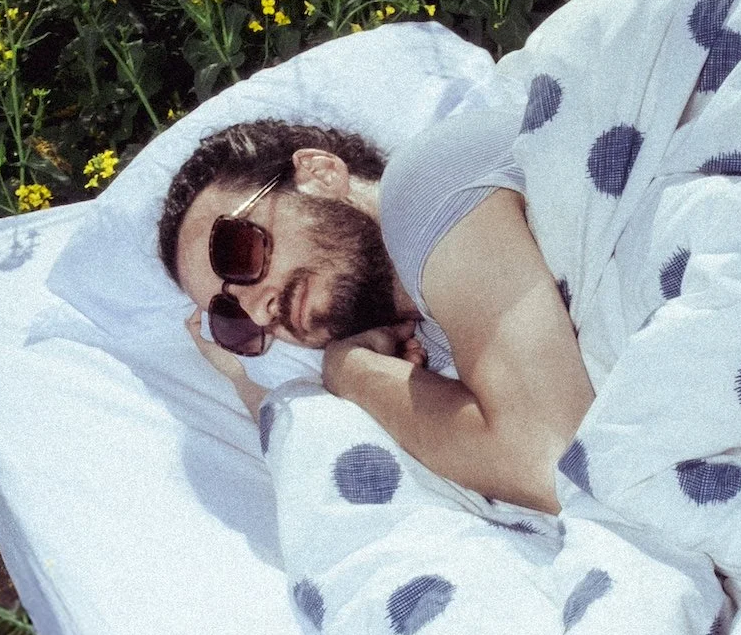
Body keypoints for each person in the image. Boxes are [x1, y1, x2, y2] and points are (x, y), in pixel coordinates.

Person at [157, 94, 592, 514]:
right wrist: (242, 378)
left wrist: (349, 369)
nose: (259, 312)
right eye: (231, 316)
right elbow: (315, 439)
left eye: (236, 253)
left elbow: (551, 463)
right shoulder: (422, 347)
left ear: (320, 173)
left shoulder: (421, 183)